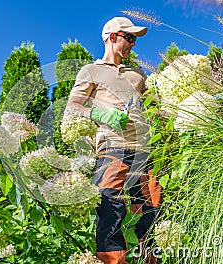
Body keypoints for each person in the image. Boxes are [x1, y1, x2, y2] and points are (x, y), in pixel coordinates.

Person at [66, 17, 161, 264]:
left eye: (134, 39)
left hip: (144, 151)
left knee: (151, 212)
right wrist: (99, 113)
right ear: (111, 37)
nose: (133, 44)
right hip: (112, 148)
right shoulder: (91, 71)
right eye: (129, 38)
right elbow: (73, 106)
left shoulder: (138, 75)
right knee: (110, 208)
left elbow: (155, 107)